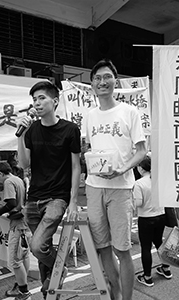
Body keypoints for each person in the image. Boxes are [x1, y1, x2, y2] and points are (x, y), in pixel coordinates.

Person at [85, 58, 146, 300]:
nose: (102, 82)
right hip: (94, 187)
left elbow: (141, 151)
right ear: (92, 84)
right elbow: (91, 149)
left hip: (121, 188)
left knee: (122, 249)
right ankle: (115, 295)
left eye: (107, 77)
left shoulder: (129, 112)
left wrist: (122, 169)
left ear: (115, 81)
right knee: (103, 248)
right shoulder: (89, 116)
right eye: (98, 78)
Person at [17, 80, 81, 299]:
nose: (37, 103)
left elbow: (75, 166)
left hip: (57, 198)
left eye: (41, 98)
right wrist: (21, 135)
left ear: (55, 101)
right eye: (34, 99)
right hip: (33, 199)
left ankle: (59, 269)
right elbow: (24, 165)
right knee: (43, 246)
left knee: (37, 247)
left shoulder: (70, 129)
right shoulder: (31, 130)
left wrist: (73, 200)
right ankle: (50, 292)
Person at [0, 162, 32, 300]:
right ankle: (21, 286)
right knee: (24, 256)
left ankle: (23, 291)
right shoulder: (18, 179)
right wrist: (9, 212)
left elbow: (11, 203)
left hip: (17, 225)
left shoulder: (8, 181)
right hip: (25, 223)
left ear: (1, 174)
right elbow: (18, 204)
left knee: (14, 260)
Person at [133, 155, 172, 287]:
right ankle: (166, 269)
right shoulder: (157, 180)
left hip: (146, 218)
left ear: (141, 168)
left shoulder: (139, 183)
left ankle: (147, 277)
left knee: (146, 247)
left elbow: (138, 203)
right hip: (161, 216)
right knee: (159, 243)